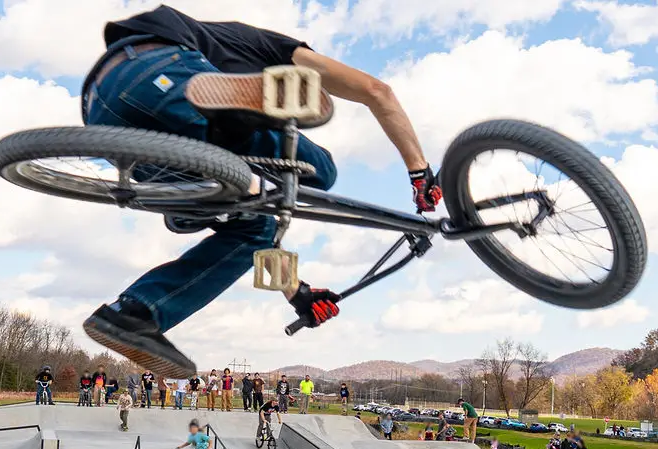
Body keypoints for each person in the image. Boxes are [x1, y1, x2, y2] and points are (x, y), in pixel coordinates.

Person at [77, 6, 434, 380]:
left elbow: (265, 227)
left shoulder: (212, 38)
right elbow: (377, 91)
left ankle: (134, 314)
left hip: (103, 110)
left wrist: (297, 292)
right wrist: (420, 173)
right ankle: (233, 120)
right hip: (165, 73)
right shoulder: (266, 45)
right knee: (319, 170)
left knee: (251, 226)